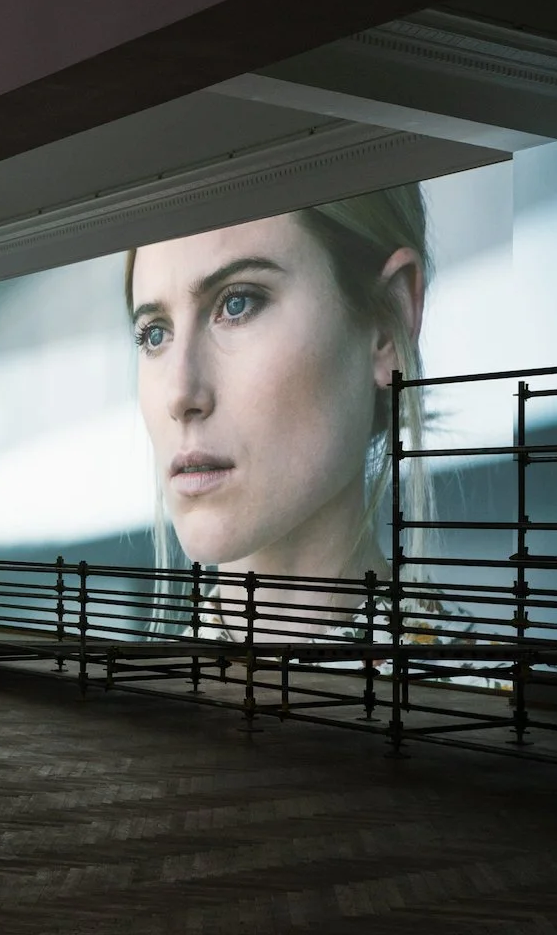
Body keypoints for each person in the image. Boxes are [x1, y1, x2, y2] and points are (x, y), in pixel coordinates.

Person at [126, 186, 440, 643]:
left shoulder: (499, 685)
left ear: (387, 324)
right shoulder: (118, 687)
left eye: (238, 303)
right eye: (155, 334)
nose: (179, 394)